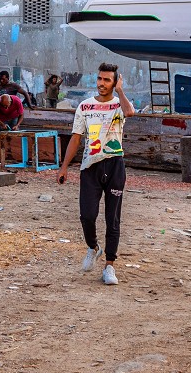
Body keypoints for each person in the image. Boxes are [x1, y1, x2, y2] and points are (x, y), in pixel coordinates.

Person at [57, 63, 135, 287]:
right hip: (90, 167)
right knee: (87, 216)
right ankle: (93, 247)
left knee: (113, 219)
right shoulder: (85, 106)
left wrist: (120, 91)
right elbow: (76, 138)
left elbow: (130, 112)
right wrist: (64, 167)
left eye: (107, 80)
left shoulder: (120, 105)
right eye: (100, 79)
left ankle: (109, 265)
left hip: (114, 165)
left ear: (115, 82)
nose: (102, 84)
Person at [0, 92, 26, 167]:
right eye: (3, 106)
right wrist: (1, 124)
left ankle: (14, 154)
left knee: (15, 133)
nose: (5, 108)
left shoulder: (17, 101)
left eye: (7, 106)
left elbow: (21, 114)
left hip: (13, 117)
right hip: (1, 118)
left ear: (10, 102)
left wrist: (17, 125)